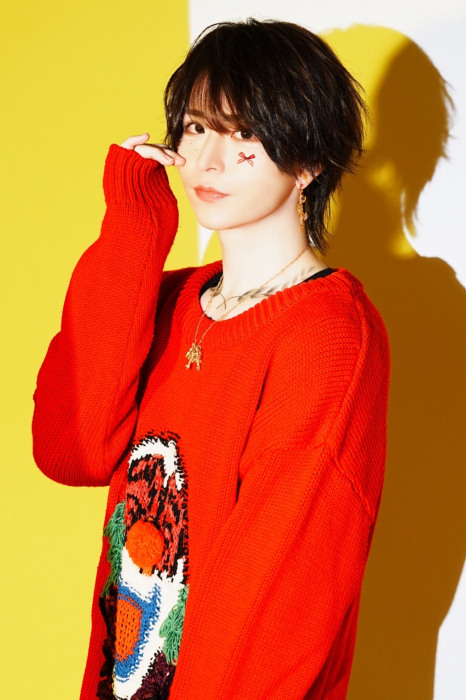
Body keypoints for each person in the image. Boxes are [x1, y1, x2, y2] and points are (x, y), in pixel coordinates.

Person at [32, 17, 391, 700]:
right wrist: (134, 220)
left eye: (245, 134)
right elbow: (71, 450)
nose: (209, 159)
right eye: (197, 127)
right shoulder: (168, 302)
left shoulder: (328, 335)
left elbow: (278, 595)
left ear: (309, 161)